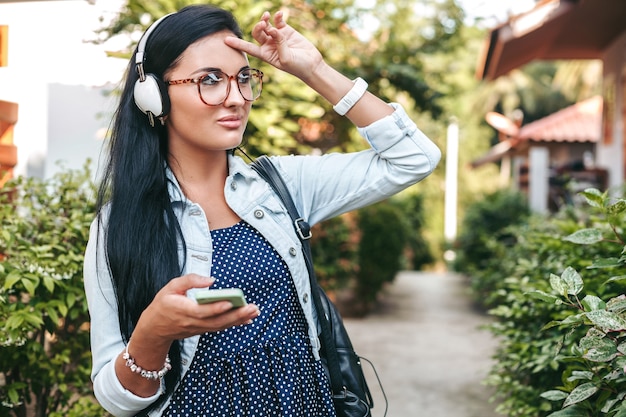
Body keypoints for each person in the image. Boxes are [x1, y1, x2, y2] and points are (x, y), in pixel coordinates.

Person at [83, 4, 441, 417]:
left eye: (244, 78)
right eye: (210, 80)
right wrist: (152, 333)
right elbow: (114, 399)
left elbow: (413, 158)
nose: (236, 98)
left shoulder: (281, 186)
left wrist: (313, 70)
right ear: (153, 95)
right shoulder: (118, 226)